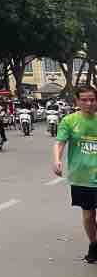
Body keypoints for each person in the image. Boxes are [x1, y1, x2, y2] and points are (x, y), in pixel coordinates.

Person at [52, 83, 97, 264]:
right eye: (84, 100)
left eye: (92, 99)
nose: (88, 103)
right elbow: (59, 142)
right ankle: (94, 244)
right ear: (77, 101)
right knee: (88, 216)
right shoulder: (69, 121)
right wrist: (57, 159)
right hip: (82, 178)